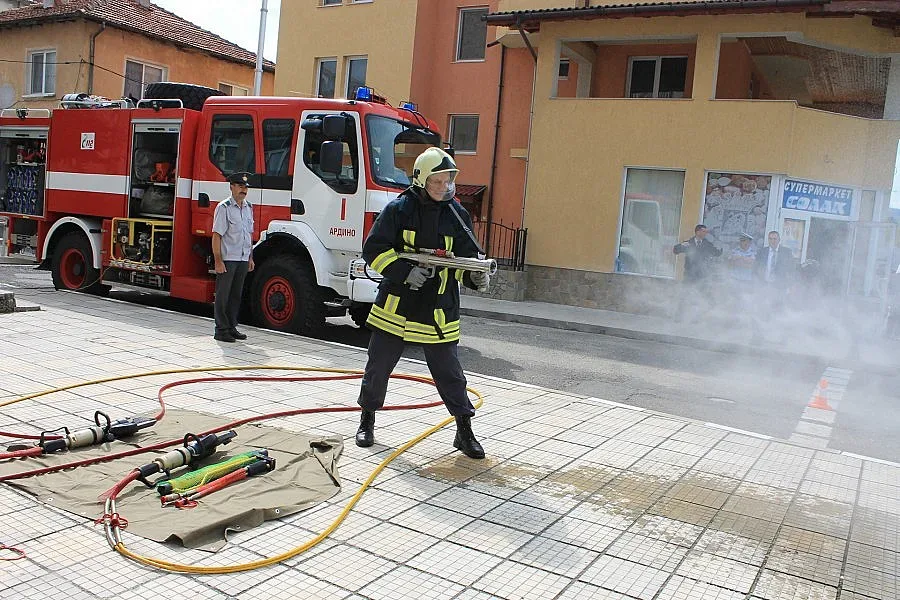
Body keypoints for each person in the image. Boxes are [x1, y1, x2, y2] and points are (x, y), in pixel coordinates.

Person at [355, 147, 487, 459]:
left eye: (448, 181)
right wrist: (404, 272)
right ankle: (366, 420)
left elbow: (466, 259)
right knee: (378, 366)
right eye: (437, 181)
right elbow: (373, 250)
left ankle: (464, 430)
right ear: (421, 180)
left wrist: (474, 277)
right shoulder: (399, 210)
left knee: (450, 373)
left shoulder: (457, 215)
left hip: (438, 308)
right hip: (397, 307)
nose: (444, 187)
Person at [211, 172, 255, 342]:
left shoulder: (249, 207)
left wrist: (250, 258)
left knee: (236, 295)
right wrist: (218, 260)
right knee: (223, 295)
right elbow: (217, 236)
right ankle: (221, 330)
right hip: (228, 258)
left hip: (242, 258)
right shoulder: (224, 208)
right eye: (240, 186)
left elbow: (248, 235)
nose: (243, 190)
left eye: (245, 187)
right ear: (231, 187)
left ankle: (231, 326)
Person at [672, 224, 722, 321]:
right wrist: (679, 247)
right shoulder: (689, 243)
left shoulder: (707, 244)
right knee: (685, 295)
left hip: (702, 275)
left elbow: (716, 253)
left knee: (701, 296)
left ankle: (697, 318)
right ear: (697, 232)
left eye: (706, 231)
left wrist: (720, 250)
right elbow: (676, 250)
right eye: (703, 231)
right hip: (689, 275)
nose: (705, 233)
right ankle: (679, 316)